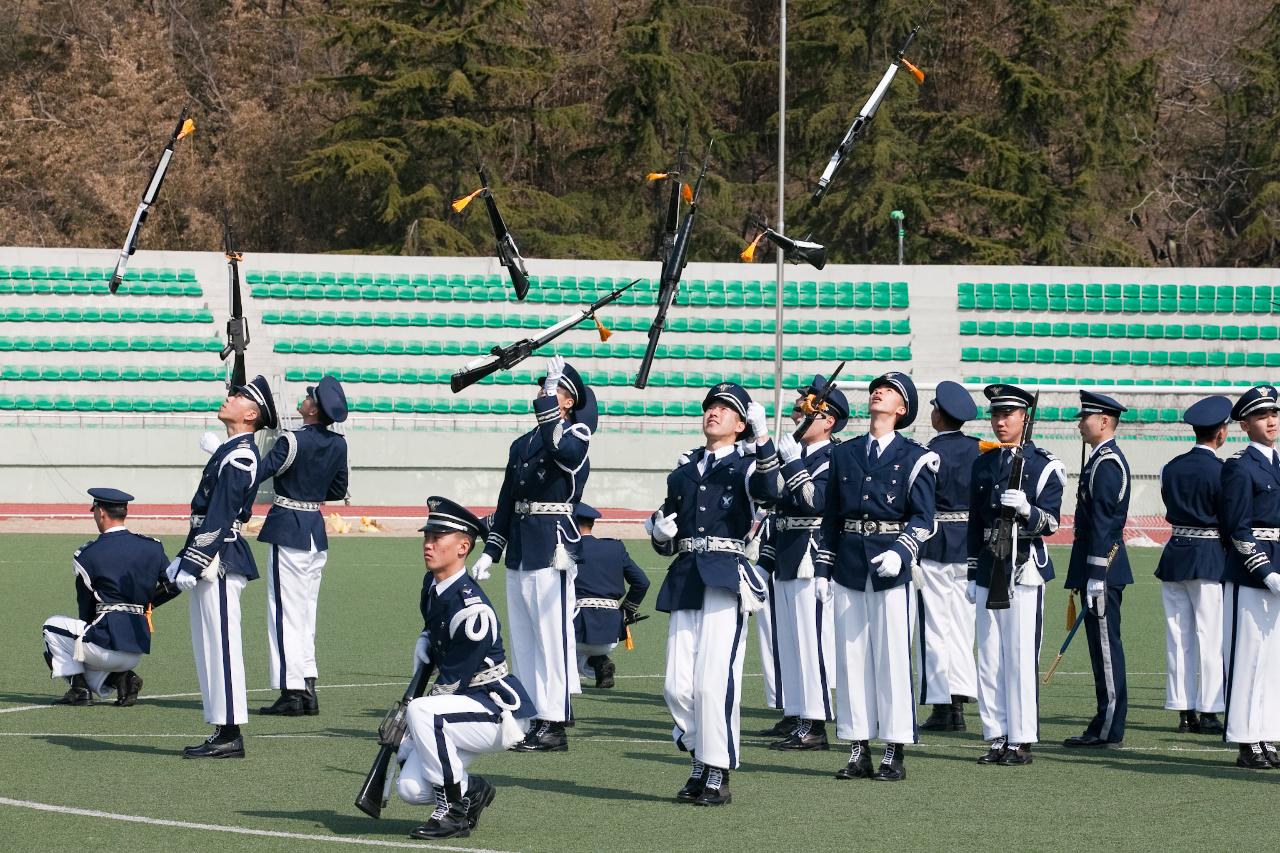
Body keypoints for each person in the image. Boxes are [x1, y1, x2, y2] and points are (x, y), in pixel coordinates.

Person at [651, 381, 779, 806]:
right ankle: (701, 752)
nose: (714, 413)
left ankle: (714, 771)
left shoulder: (745, 466)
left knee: (712, 682)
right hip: (687, 574)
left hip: (725, 576)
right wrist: (659, 534)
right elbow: (669, 526)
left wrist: (763, 439)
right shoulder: (683, 471)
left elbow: (770, 491)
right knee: (675, 685)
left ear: (740, 424)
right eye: (711, 406)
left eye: (726, 409)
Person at [818, 372, 939, 782]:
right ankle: (857, 748)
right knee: (850, 660)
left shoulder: (914, 456)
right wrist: (822, 568)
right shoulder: (845, 453)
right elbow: (831, 517)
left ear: (901, 409)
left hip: (891, 567)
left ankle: (894, 748)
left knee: (891, 658)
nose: (878, 392)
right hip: (849, 564)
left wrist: (902, 551)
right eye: (876, 388)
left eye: (888, 391)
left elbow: (924, 519)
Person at [470, 357, 595, 752]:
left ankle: (554, 721)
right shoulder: (521, 443)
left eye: (554, 388)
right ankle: (528, 715)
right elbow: (507, 500)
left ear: (569, 401)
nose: (544, 392)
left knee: (550, 637)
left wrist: (551, 411)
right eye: (543, 387)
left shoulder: (576, 432)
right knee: (524, 638)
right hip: (523, 545)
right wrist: (493, 549)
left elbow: (563, 453)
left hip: (552, 544)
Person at [395, 497, 534, 839]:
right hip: (461, 710)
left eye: (437, 538)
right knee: (411, 789)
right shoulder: (433, 586)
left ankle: (453, 814)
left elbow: (450, 684)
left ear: (462, 547)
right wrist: (426, 637)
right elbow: (436, 628)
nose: (428, 544)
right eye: (426, 536)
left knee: (422, 714)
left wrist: (409, 722)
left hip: (496, 708)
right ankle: (471, 792)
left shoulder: (472, 610)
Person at [168, 375, 276, 758]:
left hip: (220, 556)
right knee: (208, 645)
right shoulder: (233, 450)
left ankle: (231, 733)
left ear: (251, 415)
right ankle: (221, 728)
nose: (229, 397)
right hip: (210, 552)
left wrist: (193, 560)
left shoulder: (242, 455)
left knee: (223, 646)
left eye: (240, 396)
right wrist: (185, 557)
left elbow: (221, 514)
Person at [966, 384, 1065, 766]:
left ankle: (1021, 738)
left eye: (1008, 414)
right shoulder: (984, 464)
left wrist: (1027, 510)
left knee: (1020, 657)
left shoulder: (1044, 464)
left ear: (1025, 417)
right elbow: (976, 521)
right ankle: (996, 733)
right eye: (995, 414)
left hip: (1024, 568)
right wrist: (972, 571)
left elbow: (1052, 522)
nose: (1000, 421)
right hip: (989, 566)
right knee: (989, 656)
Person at [762, 374, 848, 751]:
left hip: (812, 556)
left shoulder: (835, 457)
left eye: (805, 411)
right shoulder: (792, 455)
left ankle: (816, 723)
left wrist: (793, 464)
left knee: (812, 642)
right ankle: (797, 713)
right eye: (798, 410)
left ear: (827, 420)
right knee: (791, 641)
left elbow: (815, 502)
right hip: (786, 551)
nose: (798, 417)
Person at [257, 375, 350, 717]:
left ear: (314, 409)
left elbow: (260, 471)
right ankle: (307, 686)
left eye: (309, 397)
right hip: (314, 530)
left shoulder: (292, 441)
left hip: (289, 528)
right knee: (305, 615)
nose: (305, 398)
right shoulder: (339, 445)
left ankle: (292, 691)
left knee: (284, 614)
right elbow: (338, 490)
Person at [41, 488, 171, 707]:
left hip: (105, 646)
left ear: (101, 512)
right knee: (84, 648)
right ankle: (122, 678)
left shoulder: (87, 554)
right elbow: (173, 585)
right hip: (137, 647)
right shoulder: (152, 547)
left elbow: (86, 607)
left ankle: (81, 690)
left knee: (51, 628)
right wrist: (146, 604)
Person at [1155, 395, 1230, 736]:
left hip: (1175, 555)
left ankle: (1183, 710)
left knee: (1178, 637)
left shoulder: (1170, 467)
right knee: (1209, 637)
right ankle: (1210, 710)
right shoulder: (1223, 471)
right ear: (1221, 433)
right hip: (1210, 556)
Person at [1062, 390, 1132, 749]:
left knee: (1106, 649)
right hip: (1099, 568)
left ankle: (1108, 726)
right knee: (1100, 647)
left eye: (1085, 417)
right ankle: (1104, 720)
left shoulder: (1106, 463)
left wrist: (1095, 574)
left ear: (1104, 421)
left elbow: (1104, 525)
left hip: (1103, 570)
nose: (1079, 423)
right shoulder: (1100, 460)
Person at [1219, 385, 1280, 769]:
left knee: (1272, 659)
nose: (1271, 421)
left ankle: (1266, 734)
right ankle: (1245, 738)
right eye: (1261, 415)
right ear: (1244, 424)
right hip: (1252, 573)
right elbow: (1237, 529)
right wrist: (1267, 572)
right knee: (1248, 657)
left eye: (1274, 413)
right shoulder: (1239, 467)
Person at [917, 380, 980, 732]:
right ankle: (960, 704)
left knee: (935, 628)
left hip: (937, 544)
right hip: (970, 544)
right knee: (962, 627)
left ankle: (944, 707)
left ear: (939, 415)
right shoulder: (980, 450)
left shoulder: (928, 453)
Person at [571, 502, 650, 688]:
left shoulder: (565, 549)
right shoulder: (615, 548)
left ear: (571, 524)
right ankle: (599, 662)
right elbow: (642, 582)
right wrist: (626, 611)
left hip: (575, 629)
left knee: (554, 652)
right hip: (611, 632)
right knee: (585, 651)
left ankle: (589, 668)